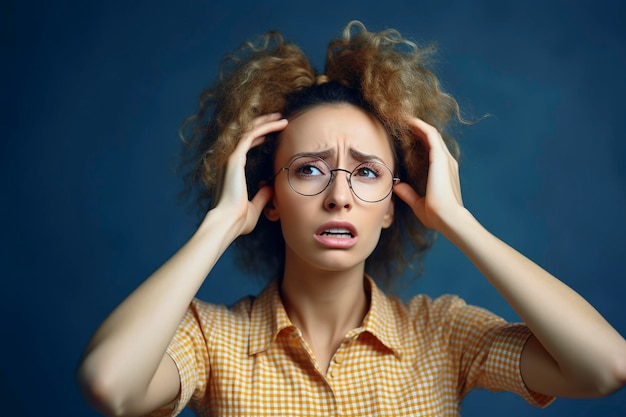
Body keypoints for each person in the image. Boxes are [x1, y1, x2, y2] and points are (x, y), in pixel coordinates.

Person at [76, 20, 626, 417]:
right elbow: (110, 385)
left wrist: (460, 222)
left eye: (366, 174)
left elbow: (605, 368)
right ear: (267, 196)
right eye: (309, 170)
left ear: (393, 204)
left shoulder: (443, 333)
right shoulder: (209, 339)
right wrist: (220, 224)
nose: (339, 197)